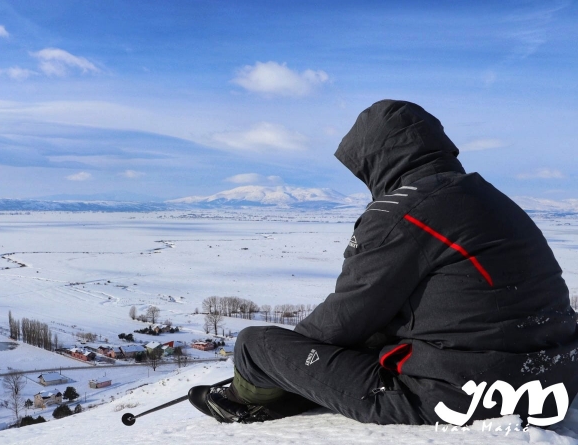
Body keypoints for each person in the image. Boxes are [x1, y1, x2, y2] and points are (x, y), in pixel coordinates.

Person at [189, 99, 578, 425]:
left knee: (255, 345)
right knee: (376, 339)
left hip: (464, 394)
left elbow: (342, 320)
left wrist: (278, 362)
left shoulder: (404, 211)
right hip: (552, 377)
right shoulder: (489, 198)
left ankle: (246, 401)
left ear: (376, 158)